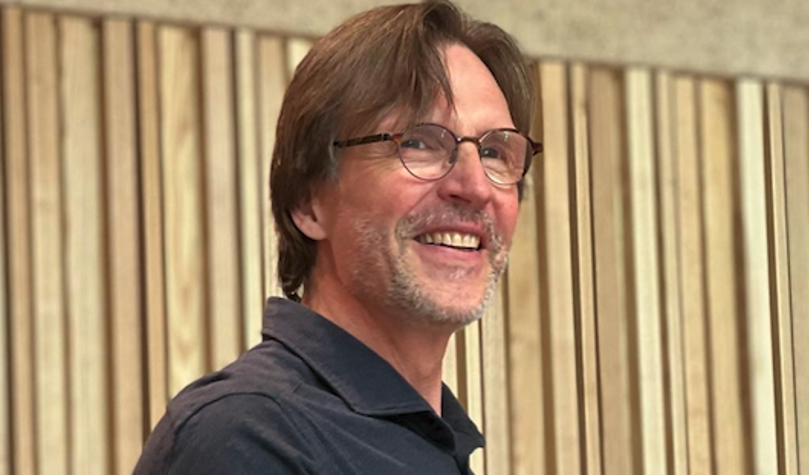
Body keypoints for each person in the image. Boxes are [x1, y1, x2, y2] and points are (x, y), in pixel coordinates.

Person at [133, 1, 539, 473]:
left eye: (494, 151)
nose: (474, 186)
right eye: (419, 142)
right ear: (308, 203)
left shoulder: (431, 440)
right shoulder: (247, 435)